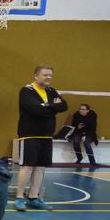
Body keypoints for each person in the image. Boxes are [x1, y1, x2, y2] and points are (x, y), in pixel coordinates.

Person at [16, 65, 68, 210]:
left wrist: (46, 106)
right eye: (45, 75)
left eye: (50, 75)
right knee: (27, 166)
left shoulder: (51, 91)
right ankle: (19, 197)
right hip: (29, 135)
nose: (48, 77)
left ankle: (33, 197)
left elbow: (64, 106)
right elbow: (35, 109)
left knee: (40, 168)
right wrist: (53, 106)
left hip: (47, 135)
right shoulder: (27, 91)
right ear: (36, 76)